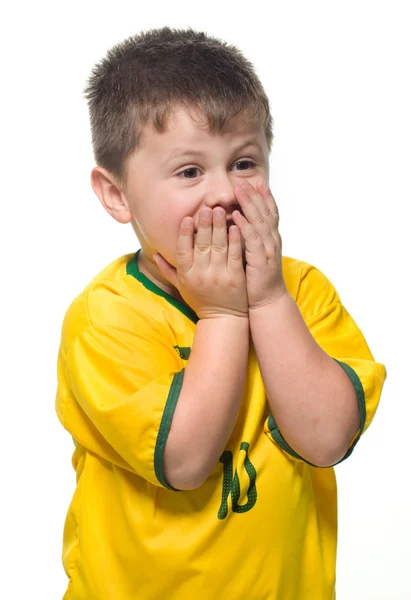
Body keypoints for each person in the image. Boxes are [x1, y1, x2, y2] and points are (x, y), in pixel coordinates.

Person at [55, 27, 387, 600]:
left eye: (244, 163)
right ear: (117, 196)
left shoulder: (303, 292)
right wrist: (225, 317)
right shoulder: (106, 319)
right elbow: (183, 461)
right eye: (189, 171)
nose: (225, 194)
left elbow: (329, 438)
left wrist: (268, 302)